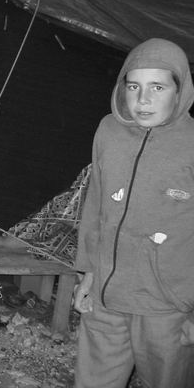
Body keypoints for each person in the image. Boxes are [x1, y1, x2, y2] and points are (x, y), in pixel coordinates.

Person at [73, 38, 194, 388]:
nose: (143, 100)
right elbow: (96, 205)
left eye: (157, 87)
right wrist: (90, 272)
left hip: (168, 304)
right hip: (107, 296)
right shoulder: (108, 131)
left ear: (179, 89)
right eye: (134, 86)